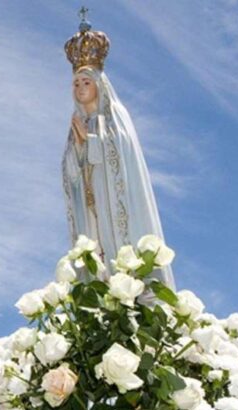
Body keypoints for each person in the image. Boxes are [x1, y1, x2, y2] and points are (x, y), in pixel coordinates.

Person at [62, 11, 175, 289]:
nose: (80, 88)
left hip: (116, 210)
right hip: (91, 211)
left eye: (86, 82)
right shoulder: (77, 123)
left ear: (99, 85)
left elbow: (122, 154)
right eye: (76, 83)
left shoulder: (115, 117)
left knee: (121, 262)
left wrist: (92, 144)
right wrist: (77, 152)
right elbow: (70, 174)